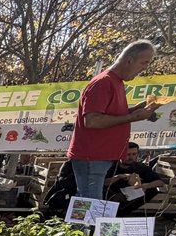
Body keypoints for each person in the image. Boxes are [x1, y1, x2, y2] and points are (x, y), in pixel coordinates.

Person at [66, 40, 158, 200]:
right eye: (144, 62)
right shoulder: (103, 82)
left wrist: (137, 109)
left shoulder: (116, 82)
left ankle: (83, 219)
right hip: (92, 156)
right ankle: (84, 219)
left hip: (99, 156)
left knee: (88, 202)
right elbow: (92, 121)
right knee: (90, 202)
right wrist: (134, 116)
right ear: (129, 60)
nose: (145, 68)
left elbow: (112, 115)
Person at [106, 142, 168, 215]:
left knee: (151, 190)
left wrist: (145, 186)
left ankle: (122, 213)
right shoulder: (110, 166)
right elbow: (103, 183)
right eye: (128, 154)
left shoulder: (140, 167)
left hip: (131, 199)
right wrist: (118, 177)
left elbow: (160, 182)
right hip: (112, 198)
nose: (131, 157)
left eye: (134, 154)